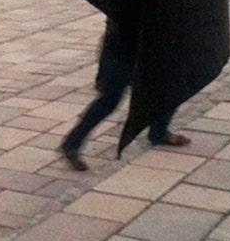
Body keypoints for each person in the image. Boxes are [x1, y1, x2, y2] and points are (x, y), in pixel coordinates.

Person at [59, 19, 189, 171]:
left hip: (142, 46)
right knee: (109, 100)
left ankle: (159, 131)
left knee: (169, 86)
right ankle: (72, 143)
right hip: (125, 48)